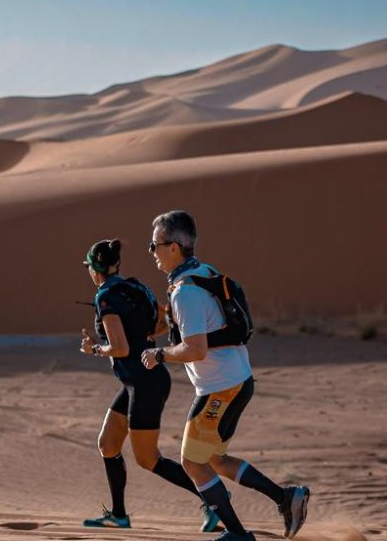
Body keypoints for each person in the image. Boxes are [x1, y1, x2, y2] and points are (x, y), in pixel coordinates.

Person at [141, 211, 310, 541]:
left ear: (173, 247)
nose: (152, 252)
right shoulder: (202, 273)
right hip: (237, 380)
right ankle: (286, 498)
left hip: (221, 388)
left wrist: (159, 354)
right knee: (213, 459)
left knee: (191, 463)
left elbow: (195, 349)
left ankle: (237, 535)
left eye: (155, 245)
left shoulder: (185, 291)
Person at [79, 238, 221, 532]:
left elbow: (118, 348)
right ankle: (118, 515)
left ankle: (214, 499)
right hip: (139, 380)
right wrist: (140, 338)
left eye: (89, 269)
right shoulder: (137, 288)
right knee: (108, 444)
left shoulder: (105, 296)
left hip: (145, 383)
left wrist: (95, 349)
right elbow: (161, 323)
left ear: (96, 270)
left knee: (148, 458)